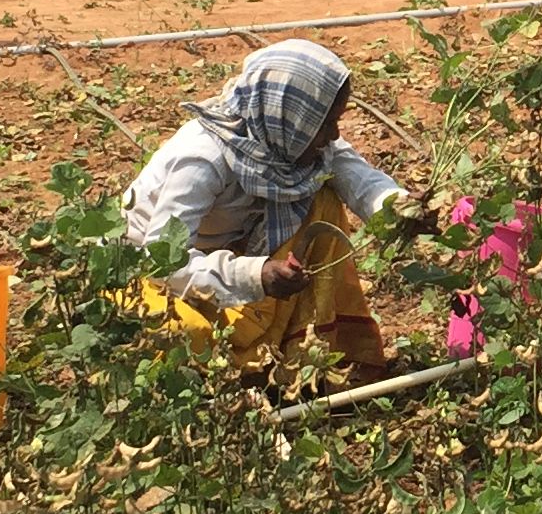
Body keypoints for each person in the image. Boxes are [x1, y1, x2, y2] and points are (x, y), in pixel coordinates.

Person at [121, 40, 432, 380]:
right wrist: (256, 274)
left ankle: (307, 363)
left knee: (322, 201)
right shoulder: (202, 159)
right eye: (326, 124)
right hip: (157, 273)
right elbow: (163, 262)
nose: (334, 135)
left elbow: (353, 173)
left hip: (231, 251)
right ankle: (227, 384)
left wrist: (395, 206)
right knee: (180, 331)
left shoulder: (283, 134)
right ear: (291, 118)